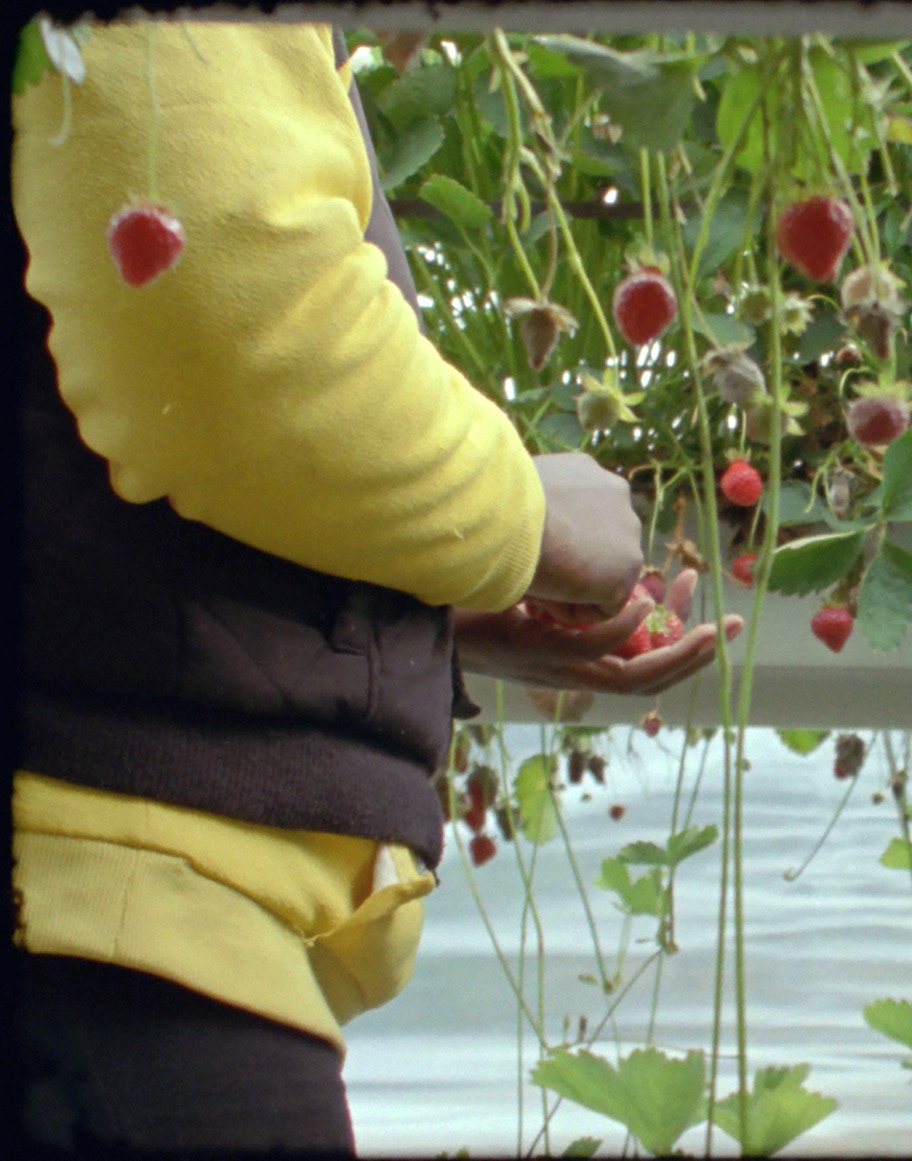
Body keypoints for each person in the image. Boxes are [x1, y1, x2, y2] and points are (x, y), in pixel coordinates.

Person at [9, 15, 740, 1154]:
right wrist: (534, 519)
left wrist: (427, 602)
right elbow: (238, 348)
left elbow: (105, 435)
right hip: (109, 900)